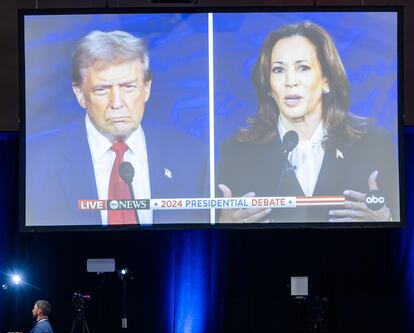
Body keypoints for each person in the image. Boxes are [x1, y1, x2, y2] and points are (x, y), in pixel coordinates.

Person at [217, 21, 398, 224]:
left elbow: (399, 233)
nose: (290, 81)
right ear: (268, 85)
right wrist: (223, 225)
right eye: (278, 70)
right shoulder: (237, 151)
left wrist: (387, 218)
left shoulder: (373, 143)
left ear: (326, 80)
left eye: (302, 68)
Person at [26, 30, 208, 227]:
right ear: (79, 94)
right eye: (102, 89)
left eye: (128, 87)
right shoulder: (37, 159)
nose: (117, 103)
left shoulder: (192, 155)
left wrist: (223, 222)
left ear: (146, 88)